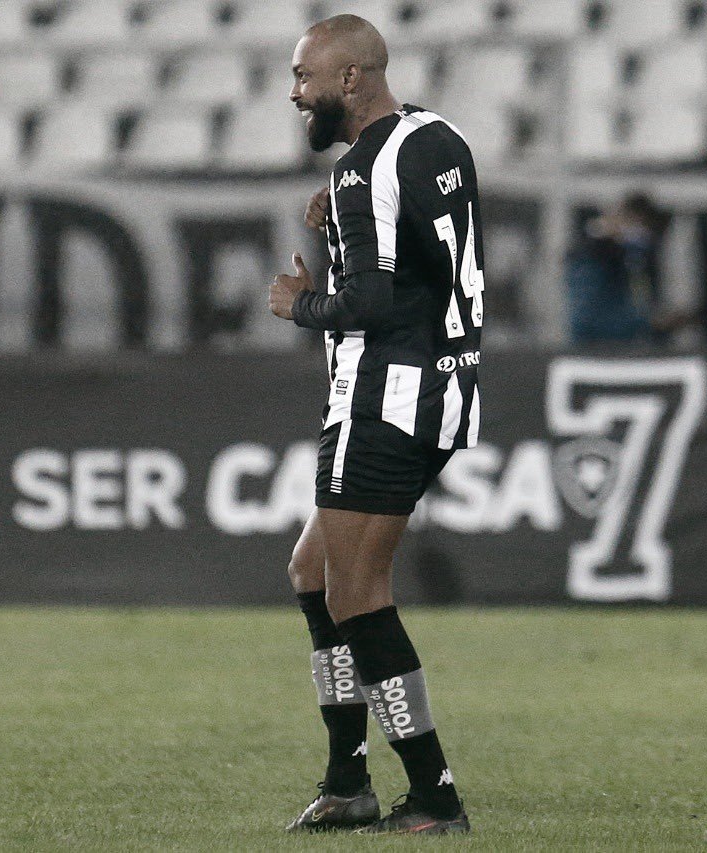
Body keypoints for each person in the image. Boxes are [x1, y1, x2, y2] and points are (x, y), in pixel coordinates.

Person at [266, 14, 480, 835]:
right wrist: (348, 233)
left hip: (384, 397)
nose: (296, 93)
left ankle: (433, 795)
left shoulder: (363, 172)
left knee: (356, 593)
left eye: (304, 76)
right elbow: (426, 257)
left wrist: (301, 304)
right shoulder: (438, 138)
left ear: (351, 79)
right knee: (311, 573)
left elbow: (371, 306)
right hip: (441, 385)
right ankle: (346, 779)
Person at [565, 192, 689, 345]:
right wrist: (648, 323)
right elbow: (586, 323)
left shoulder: (628, 258)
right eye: (637, 225)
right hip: (598, 356)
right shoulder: (591, 258)